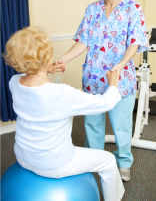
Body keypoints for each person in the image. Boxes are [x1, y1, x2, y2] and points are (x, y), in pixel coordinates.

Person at [52, 0, 148, 181]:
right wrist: (64, 59)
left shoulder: (133, 8)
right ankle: (94, 160)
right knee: (92, 124)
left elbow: (134, 42)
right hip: (93, 79)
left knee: (121, 127)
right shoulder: (92, 9)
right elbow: (83, 41)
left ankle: (123, 162)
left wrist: (121, 64)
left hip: (119, 80)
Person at [3, 26, 124, 201]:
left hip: (23, 157)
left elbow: (30, 76)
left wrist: (46, 68)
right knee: (108, 161)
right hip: (54, 165)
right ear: (47, 56)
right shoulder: (62, 94)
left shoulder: (14, 82)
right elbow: (106, 103)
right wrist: (113, 83)